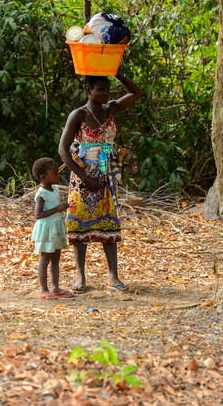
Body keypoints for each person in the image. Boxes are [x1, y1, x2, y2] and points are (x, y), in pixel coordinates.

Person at [59, 70, 142, 293]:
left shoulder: (110, 109)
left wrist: (119, 74)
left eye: (108, 89)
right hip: (83, 176)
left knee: (109, 223)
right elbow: (63, 150)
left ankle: (113, 277)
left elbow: (136, 92)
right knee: (78, 224)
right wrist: (84, 177)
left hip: (107, 176)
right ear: (88, 91)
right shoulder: (78, 114)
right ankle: (80, 277)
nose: (106, 93)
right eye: (101, 89)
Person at [31, 157, 74, 299]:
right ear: (43, 177)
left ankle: (55, 287)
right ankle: (44, 289)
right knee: (45, 259)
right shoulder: (41, 194)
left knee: (56, 258)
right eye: (55, 173)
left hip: (56, 228)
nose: (58, 175)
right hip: (46, 231)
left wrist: (64, 206)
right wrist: (57, 208)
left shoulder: (54, 188)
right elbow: (38, 214)